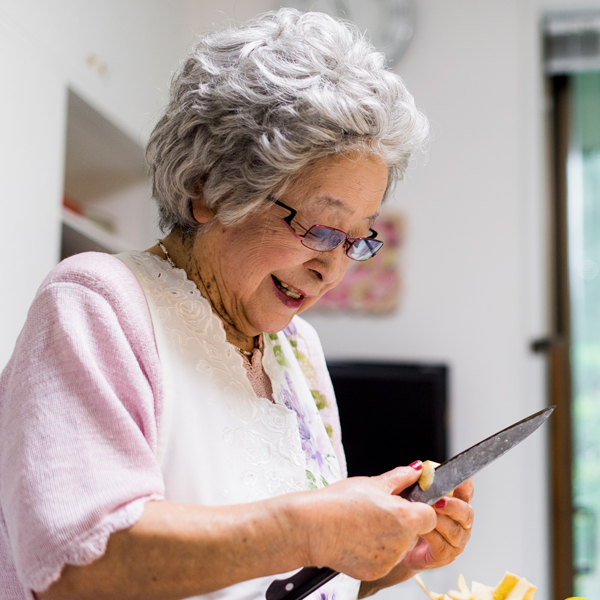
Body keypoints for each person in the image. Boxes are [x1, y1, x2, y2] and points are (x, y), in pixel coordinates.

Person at [0, 9, 474, 600]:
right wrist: (314, 527)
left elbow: (284, 583)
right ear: (209, 190)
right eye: (321, 228)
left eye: (358, 239)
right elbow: (76, 564)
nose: (332, 268)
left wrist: (384, 556)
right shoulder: (98, 304)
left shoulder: (297, 349)